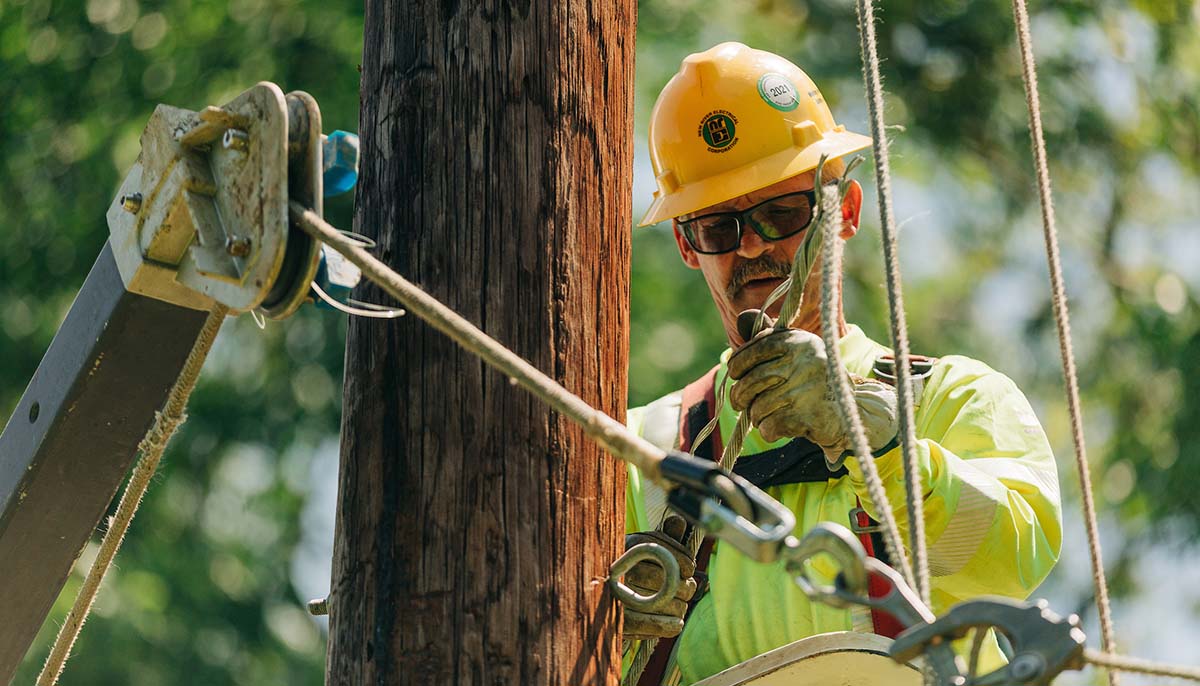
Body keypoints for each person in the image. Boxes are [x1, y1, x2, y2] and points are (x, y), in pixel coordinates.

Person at [622, 42, 1063, 685]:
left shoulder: (949, 398)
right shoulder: (645, 450)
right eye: (719, 226)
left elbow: (1016, 550)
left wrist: (873, 433)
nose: (752, 246)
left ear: (844, 212)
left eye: (781, 214)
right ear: (689, 246)